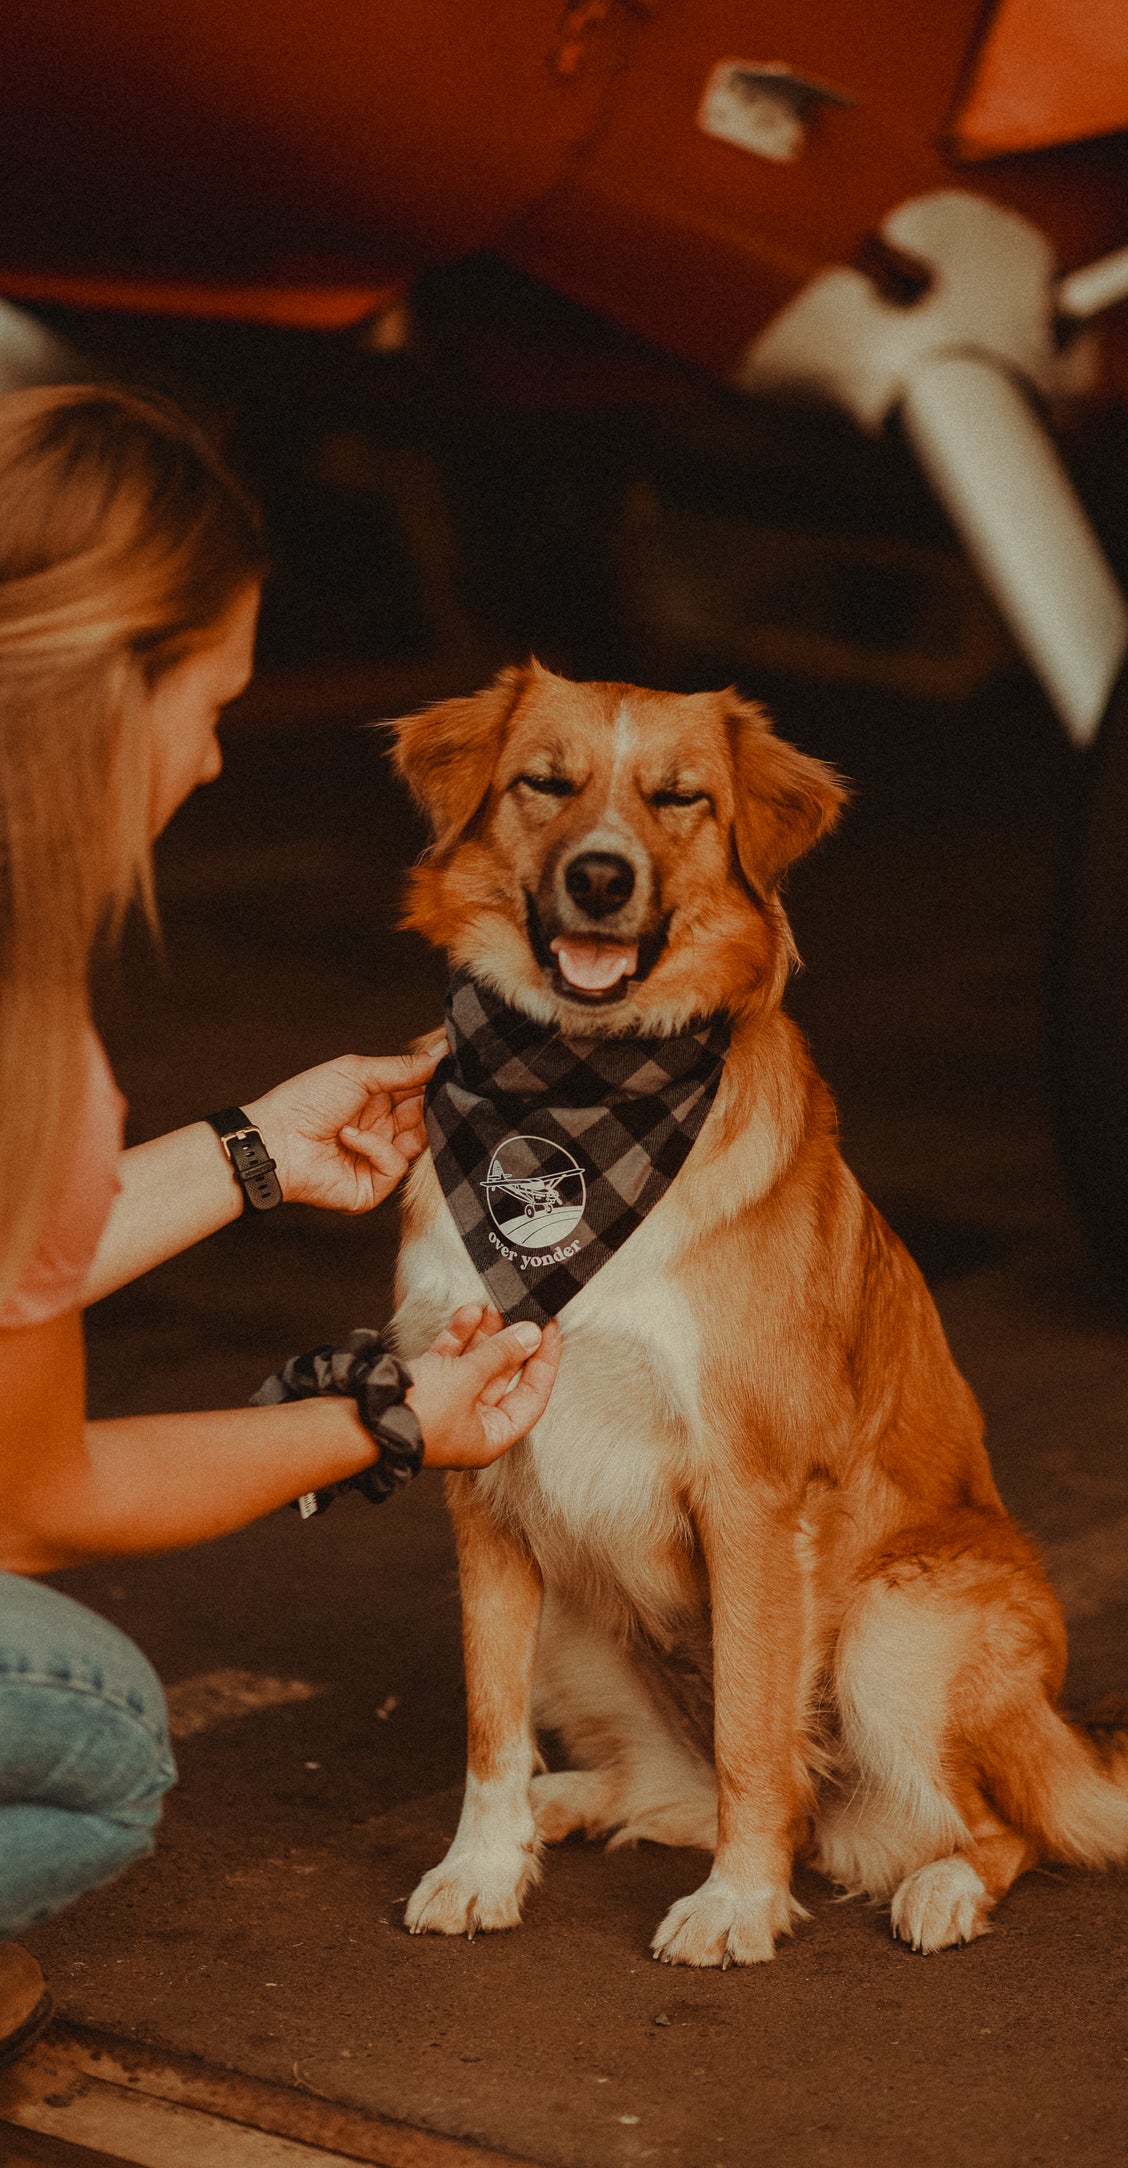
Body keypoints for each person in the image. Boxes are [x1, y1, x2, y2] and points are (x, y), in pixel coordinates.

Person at [0, 383, 562, 2066]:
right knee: (96, 1730)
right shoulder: (28, 1050)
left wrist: (244, 1155)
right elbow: (36, 1503)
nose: (213, 753)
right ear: (113, 687)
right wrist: (391, 1418)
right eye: (210, 700)